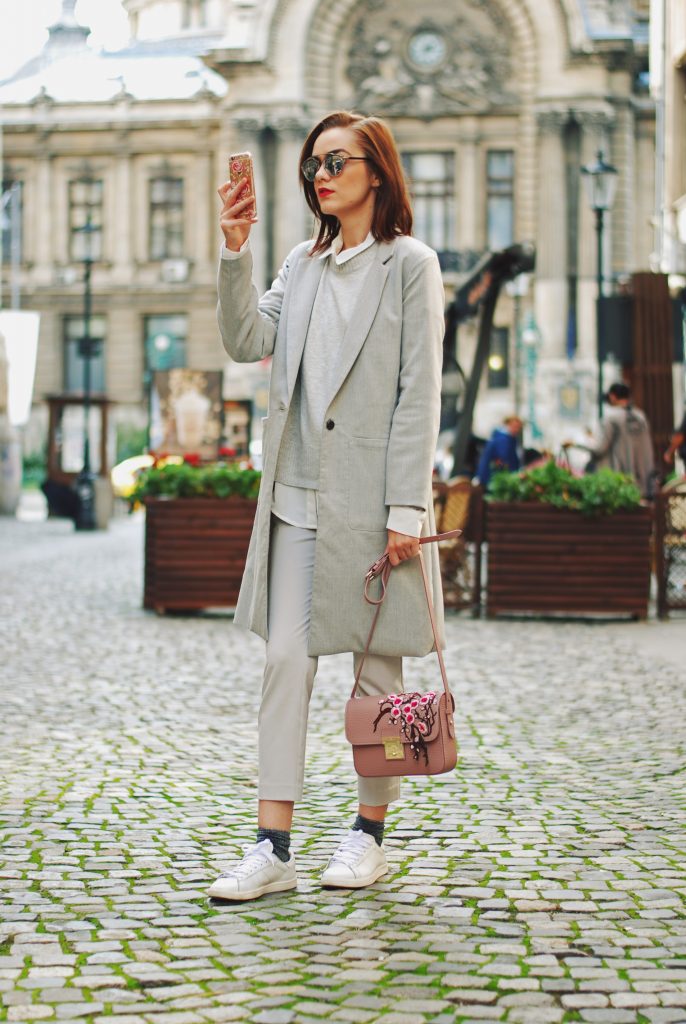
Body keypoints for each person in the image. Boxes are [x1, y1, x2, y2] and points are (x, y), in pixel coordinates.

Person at [210, 111, 445, 901]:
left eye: (336, 160)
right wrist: (234, 250)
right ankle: (271, 846)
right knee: (284, 664)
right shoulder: (300, 264)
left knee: (378, 674)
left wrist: (407, 509)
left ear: (376, 169)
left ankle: (368, 832)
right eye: (313, 164)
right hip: (294, 502)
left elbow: (419, 396)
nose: (321, 173)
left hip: (373, 506)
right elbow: (247, 341)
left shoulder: (410, 264)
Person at [581, 382, 655, 497]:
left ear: (612, 396)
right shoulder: (641, 417)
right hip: (644, 483)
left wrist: (586, 440)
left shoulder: (611, 418)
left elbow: (599, 448)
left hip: (621, 484)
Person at [475, 415, 523, 489]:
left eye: (518, 427)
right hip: (493, 479)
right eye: (515, 426)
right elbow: (503, 459)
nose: (517, 430)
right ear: (507, 425)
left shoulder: (507, 439)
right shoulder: (503, 440)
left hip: (492, 478)